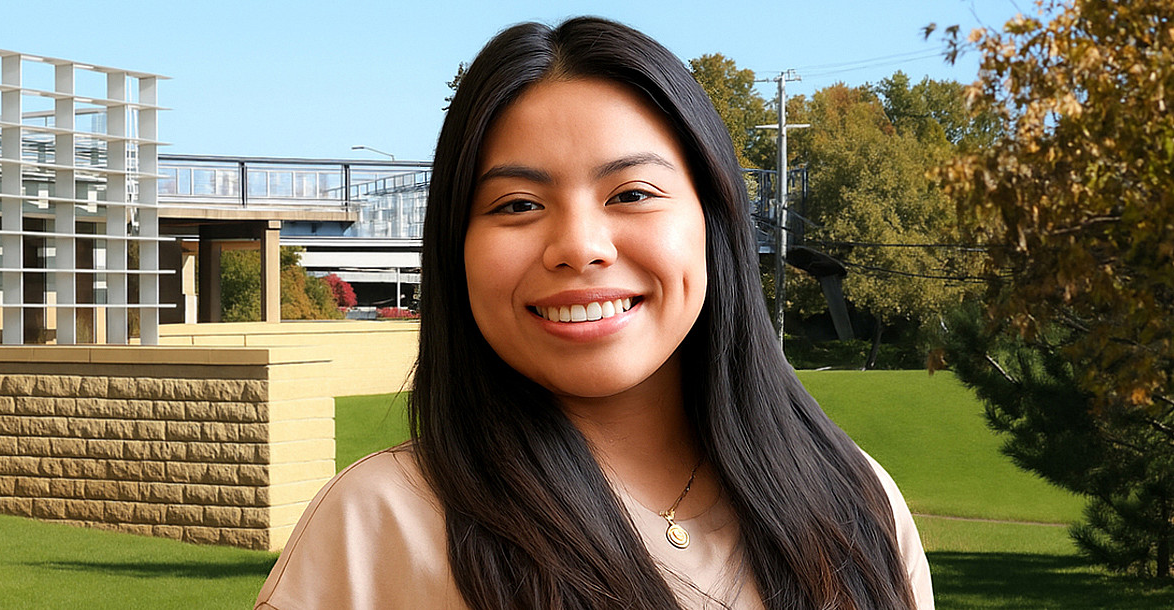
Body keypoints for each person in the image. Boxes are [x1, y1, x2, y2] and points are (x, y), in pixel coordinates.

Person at [256, 16, 932, 610]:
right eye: (517, 204)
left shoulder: (857, 501)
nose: (578, 247)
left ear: (714, 221)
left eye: (632, 193)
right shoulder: (378, 527)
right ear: (455, 249)